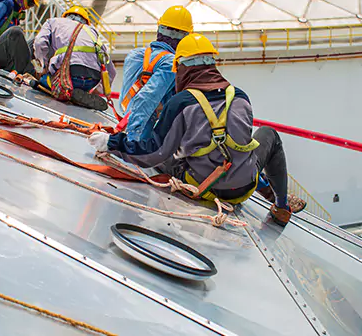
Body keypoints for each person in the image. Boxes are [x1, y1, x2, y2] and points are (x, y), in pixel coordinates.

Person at [88, 33, 304, 226]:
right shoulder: (239, 96)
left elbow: (154, 153)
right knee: (269, 135)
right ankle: (281, 206)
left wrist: (111, 143)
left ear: (182, 68)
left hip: (203, 186)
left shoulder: (182, 103)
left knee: (164, 151)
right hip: (245, 186)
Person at [118, 5, 192, 140]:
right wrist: (132, 140)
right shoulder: (171, 62)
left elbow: (127, 97)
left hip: (125, 119)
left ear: (159, 29)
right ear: (185, 37)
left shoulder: (134, 55)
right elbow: (146, 99)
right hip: (142, 127)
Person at [31, 6, 115, 110]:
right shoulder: (92, 31)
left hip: (69, 76)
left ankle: (68, 92)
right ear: (85, 21)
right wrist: (98, 91)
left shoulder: (53, 22)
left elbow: (39, 42)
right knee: (79, 85)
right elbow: (111, 70)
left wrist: (43, 66)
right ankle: (80, 94)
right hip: (91, 80)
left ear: (65, 16)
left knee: (43, 80)